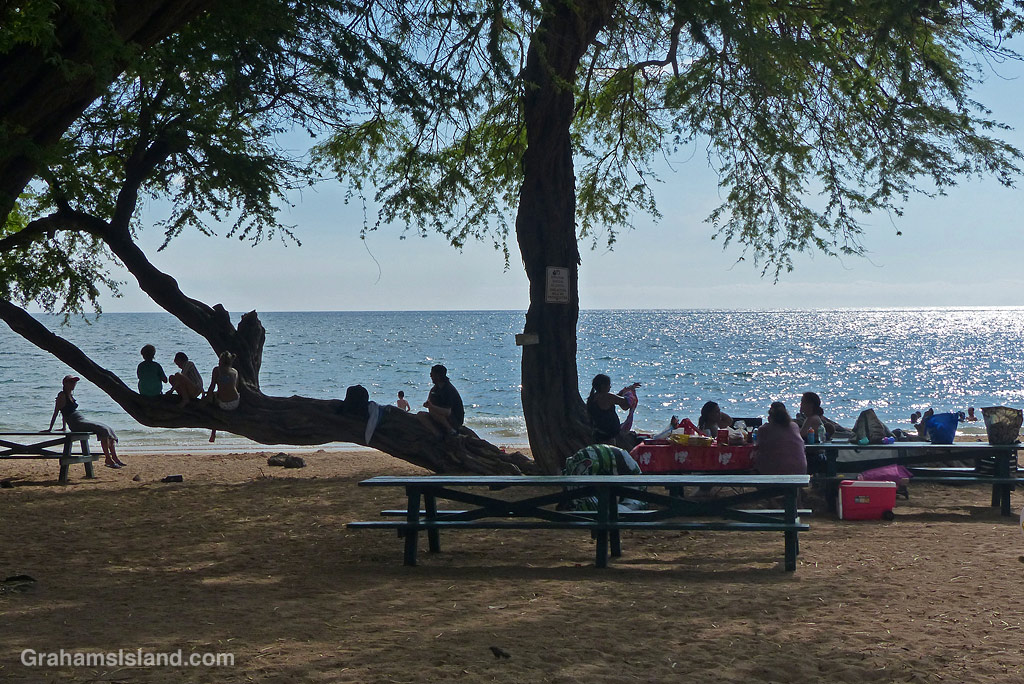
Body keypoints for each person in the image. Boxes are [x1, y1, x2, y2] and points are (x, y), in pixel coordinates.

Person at [47, 375, 125, 468]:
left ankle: (114, 457)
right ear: (65, 383)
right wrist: (50, 428)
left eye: (75, 382)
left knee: (109, 429)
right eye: (71, 382)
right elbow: (57, 411)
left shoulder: (70, 395)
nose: (74, 384)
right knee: (103, 429)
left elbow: (64, 412)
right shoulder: (62, 395)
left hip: (81, 420)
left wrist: (64, 427)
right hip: (77, 423)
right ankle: (108, 459)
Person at [752, 402, 807, 475]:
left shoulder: (763, 429)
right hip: (800, 470)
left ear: (770, 416)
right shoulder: (794, 426)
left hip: (773, 471)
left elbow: (757, 446)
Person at [586, 374, 640, 447]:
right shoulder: (607, 397)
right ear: (603, 386)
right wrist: (631, 391)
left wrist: (624, 391)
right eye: (609, 385)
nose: (610, 386)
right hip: (607, 437)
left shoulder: (592, 398)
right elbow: (626, 403)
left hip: (598, 433)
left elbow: (615, 398)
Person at [417, 364, 464, 436]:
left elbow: (447, 412)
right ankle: (436, 432)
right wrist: (428, 404)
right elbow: (429, 401)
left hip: (454, 419)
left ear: (438, 376)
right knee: (420, 415)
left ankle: (451, 430)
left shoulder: (448, 389)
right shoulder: (435, 388)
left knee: (433, 411)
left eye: (432, 374)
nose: (430, 376)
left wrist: (432, 406)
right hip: (440, 416)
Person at [206, 351, 240, 442]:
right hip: (235, 402)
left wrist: (206, 398)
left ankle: (213, 433)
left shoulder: (216, 370)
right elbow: (234, 387)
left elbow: (212, 386)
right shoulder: (235, 372)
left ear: (220, 361)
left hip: (223, 404)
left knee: (213, 407)